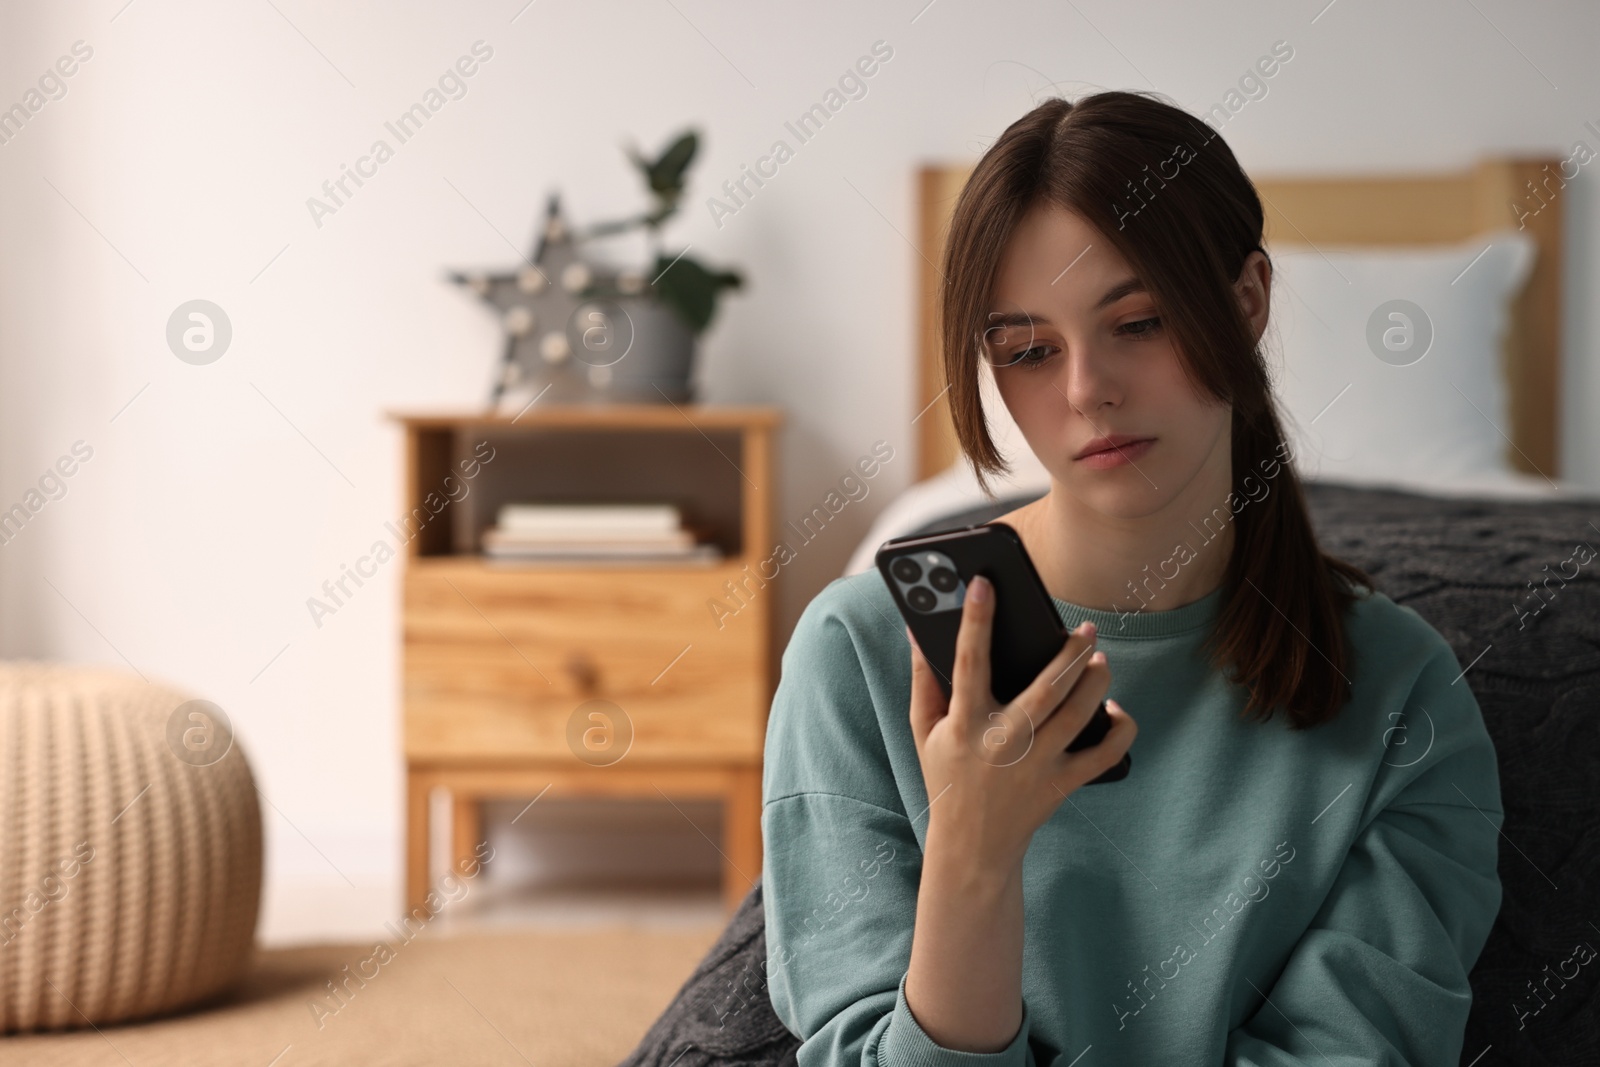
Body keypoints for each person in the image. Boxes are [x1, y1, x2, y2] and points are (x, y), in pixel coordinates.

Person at [760, 90, 1504, 1066]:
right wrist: (971, 859)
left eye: (1139, 321)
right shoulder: (858, 653)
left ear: (1244, 302)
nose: (1083, 391)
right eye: (1027, 349)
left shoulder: (1401, 685)